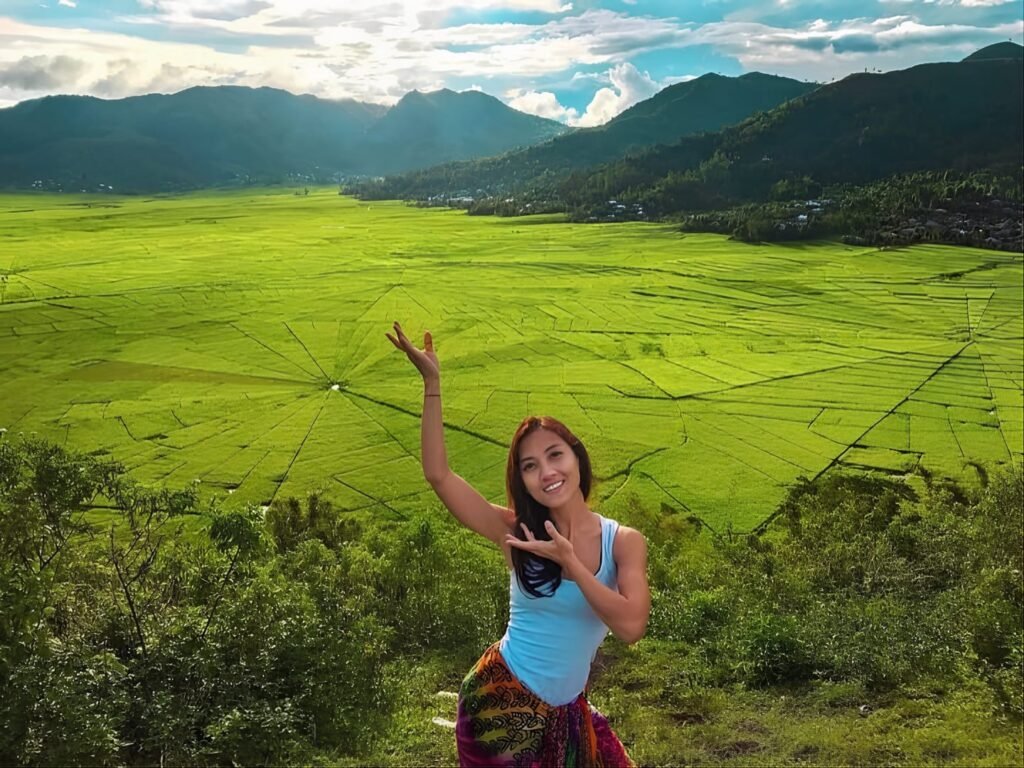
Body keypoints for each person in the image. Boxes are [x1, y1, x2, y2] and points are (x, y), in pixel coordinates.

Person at [387, 321, 650, 767]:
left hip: (567, 710)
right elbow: (440, 475)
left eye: (554, 455)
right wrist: (432, 384)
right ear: (522, 482)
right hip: (497, 703)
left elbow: (631, 628)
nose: (547, 472)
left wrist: (573, 566)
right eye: (530, 466)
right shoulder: (517, 533)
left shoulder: (623, 542)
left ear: (576, 458)